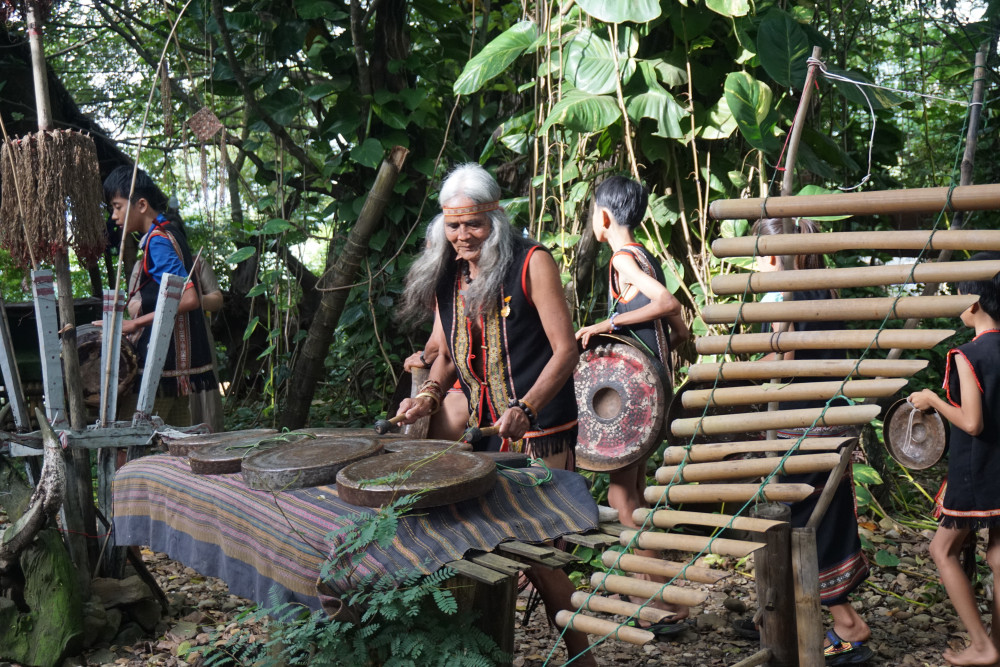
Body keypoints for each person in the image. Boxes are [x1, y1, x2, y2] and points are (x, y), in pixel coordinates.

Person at [395, 163, 595, 665]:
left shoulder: (532, 262)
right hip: (484, 427)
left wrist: (527, 406)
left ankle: (582, 656)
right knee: (486, 539)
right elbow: (444, 355)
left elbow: (566, 350)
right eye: (453, 224)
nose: (462, 235)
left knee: (541, 553)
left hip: (541, 426)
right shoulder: (448, 273)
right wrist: (428, 397)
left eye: (473, 224)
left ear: (496, 218)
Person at [751, 217, 872, 664]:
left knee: (801, 523)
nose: (758, 262)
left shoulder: (790, 296)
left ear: (778, 253)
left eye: (763, 252)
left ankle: (844, 623)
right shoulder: (824, 290)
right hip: (830, 428)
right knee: (822, 520)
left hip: (801, 432)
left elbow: (778, 362)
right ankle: (799, 616)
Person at [574, 175, 690, 635]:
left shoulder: (623, 259)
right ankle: (657, 595)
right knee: (636, 498)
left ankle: (665, 602)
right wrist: (679, 341)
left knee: (622, 497)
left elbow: (666, 302)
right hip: (651, 390)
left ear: (603, 217)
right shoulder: (645, 254)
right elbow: (677, 320)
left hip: (635, 400)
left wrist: (609, 322)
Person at [909, 251, 1000, 667]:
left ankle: (982, 645)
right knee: (998, 557)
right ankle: (996, 645)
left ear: (975, 301)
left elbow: (972, 422)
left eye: (959, 294)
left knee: (942, 551)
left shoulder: (968, 354)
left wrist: (931, 400)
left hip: (976, 471)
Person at [103, 166, 216, 426]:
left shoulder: (158, 241)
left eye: (117, 206)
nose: (114, 216)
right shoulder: (169, 230)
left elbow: (188, 299)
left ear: (141, 204)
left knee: (127, 442)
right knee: (176, 444)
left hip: (160, 365)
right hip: (175, 368)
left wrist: (135, 323)